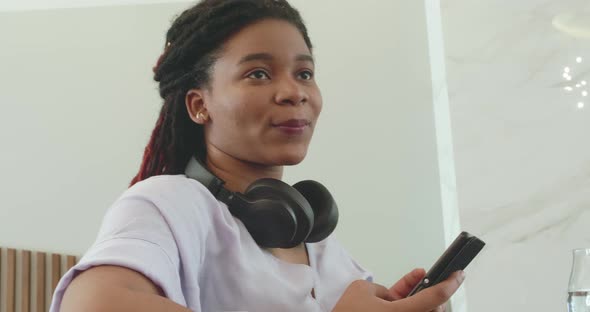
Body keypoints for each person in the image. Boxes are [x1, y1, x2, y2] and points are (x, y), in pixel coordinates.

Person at [50, 0, 464, 311]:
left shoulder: (323, 247)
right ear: (199, 105)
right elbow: (93, 304)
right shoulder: (169, 202)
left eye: (304, 73)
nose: (294, 92)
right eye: (258, 73)